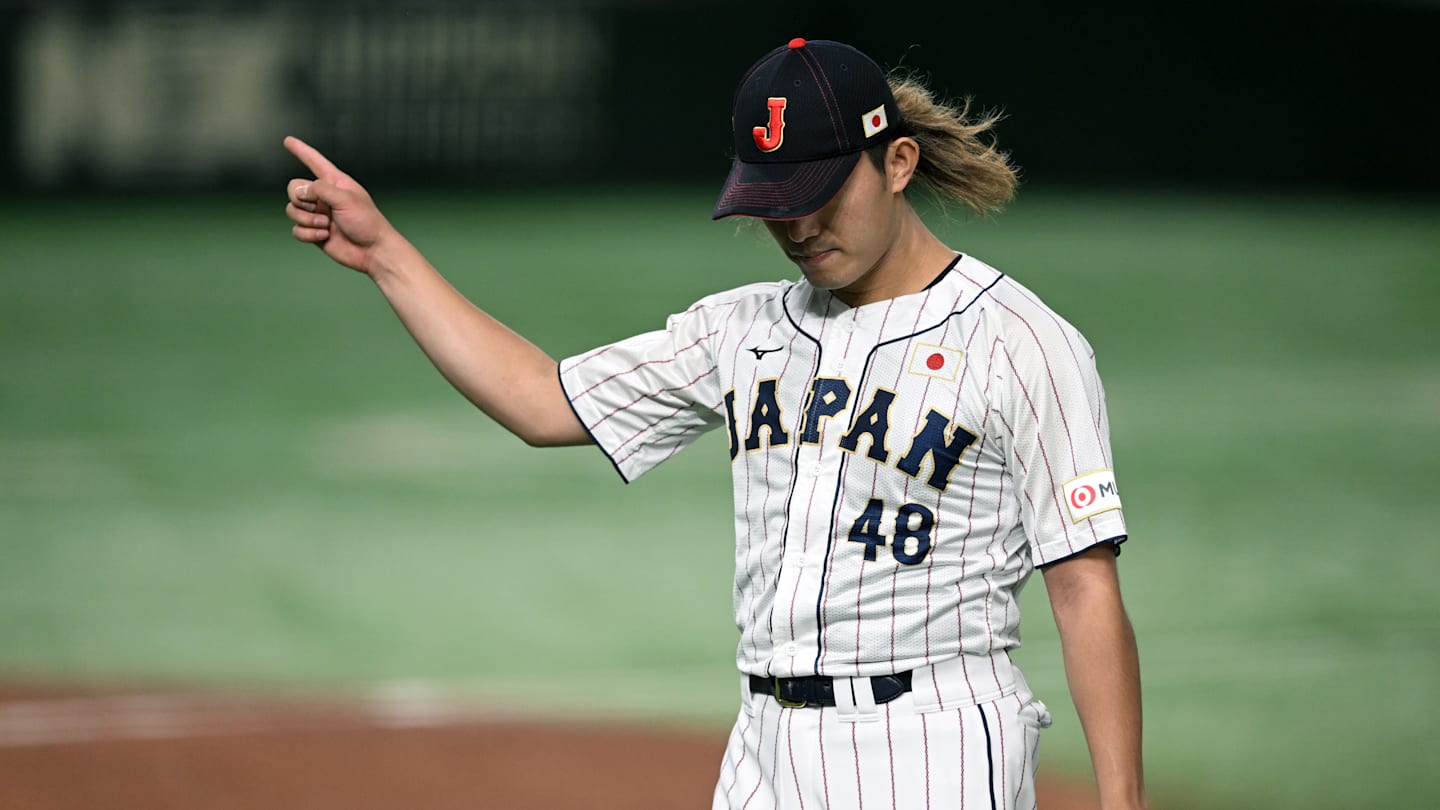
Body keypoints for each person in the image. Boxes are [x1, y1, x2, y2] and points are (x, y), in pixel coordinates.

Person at [284, 37, 1146, 810]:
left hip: (929, 745)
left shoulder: (1021, 343)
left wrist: (1122, 800)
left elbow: (1082, 586)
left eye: (820, 193)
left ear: (898, 163)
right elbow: (543, 401)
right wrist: (385, 256)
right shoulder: (743, 330)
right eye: (775, 199)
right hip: (763, 751)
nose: (797, 226)